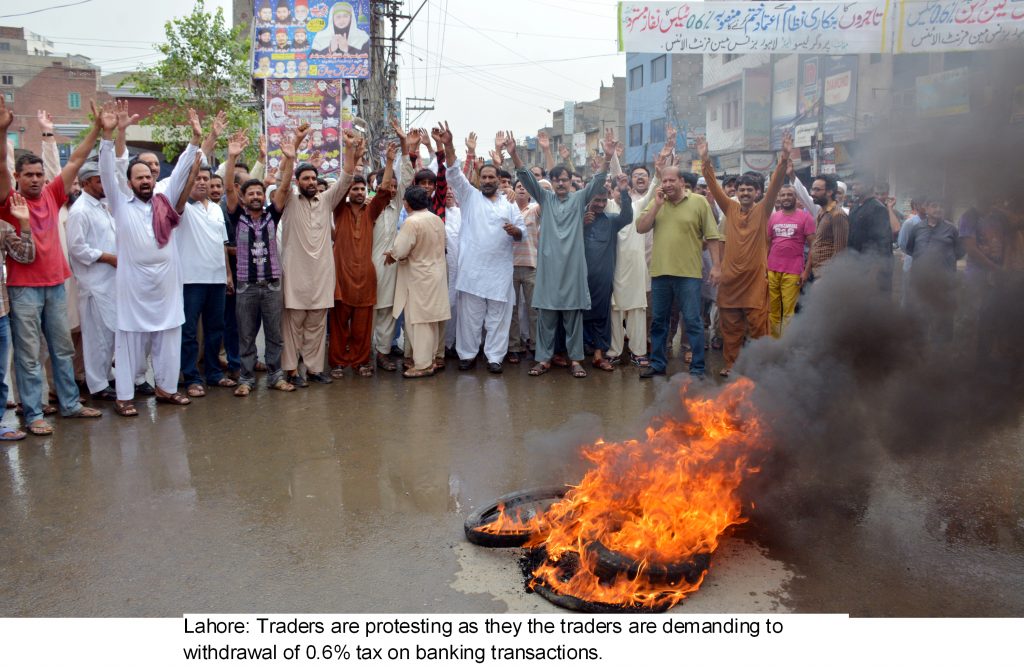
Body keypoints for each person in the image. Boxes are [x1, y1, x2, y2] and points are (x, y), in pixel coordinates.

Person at [0, 96, 103, 436]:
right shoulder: (8, 202)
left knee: (61, 348)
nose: (34, 179)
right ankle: (32, 415)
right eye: (27, 174)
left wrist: (97, 128)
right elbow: (1, 163)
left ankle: (70, 405)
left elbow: (77, 158)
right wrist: (3, 132)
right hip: (23, 288)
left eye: (38, 174)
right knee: (29, 356)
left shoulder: (52, 193)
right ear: (17, 177)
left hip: (56, 284)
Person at [97, 104, 204, 416]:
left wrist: (195, 140)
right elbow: (108, 171)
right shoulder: (120, 204)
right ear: (129, 182)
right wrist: (110, 134)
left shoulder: (164, 199)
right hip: (133, 283)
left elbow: (184, 169)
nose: (145, 180)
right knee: (129, 341)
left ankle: (167, 388)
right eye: (138, 177)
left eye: (148, 176)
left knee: (169, 336)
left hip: (166, 281)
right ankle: (125, 396)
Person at [510, 129, 616, 379]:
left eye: (564, 179)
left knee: (573, 318)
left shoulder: (580, 199)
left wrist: (608, 157)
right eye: (556, 179)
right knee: (546, 316)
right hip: (548, 269)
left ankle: (576, 360)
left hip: (573, 269)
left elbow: (598, 182)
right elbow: (526, 178)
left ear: (571, 182)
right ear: (552, 181)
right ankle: (544, 360)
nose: (560, 183)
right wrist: (514, 154)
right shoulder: (544, 199)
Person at [698, 131, 791, 377]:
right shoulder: (729, 208)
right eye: (742, 189)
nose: (746, 193)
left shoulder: (763, 210)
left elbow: (775, 186)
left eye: (751, 189)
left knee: (761, 327)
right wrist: (705, 161)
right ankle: (731, 365)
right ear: (736, 192)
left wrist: (783, 159)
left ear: (758, 193)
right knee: (730, 328)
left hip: (755, 281)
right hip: (730, 280)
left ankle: (763, 366)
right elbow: (714, 187)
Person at [223, 128, 306, 396]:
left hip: (271, 286)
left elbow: (283, 188)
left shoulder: (273, 215)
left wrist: (290, 160)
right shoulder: (238, 216)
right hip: (246, 286)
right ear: (243, 198)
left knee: (274, 335)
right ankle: (246, 380)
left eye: (260, 193)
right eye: (251, 194)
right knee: (246, 335)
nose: (257, 196)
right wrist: (232, 157)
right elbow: (227, 187)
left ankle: (276, 376)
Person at [440, 125, 525, 374]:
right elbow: (454, 174)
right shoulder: (469, 196)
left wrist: (515, 232)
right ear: (479, 179)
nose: (487, 181)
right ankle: (467, 355)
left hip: (499, 273)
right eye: (484, 177)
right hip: (473, 272)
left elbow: (522, 231)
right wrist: (449, 145)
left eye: (492, 177)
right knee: (470, 318)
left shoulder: (509, 204)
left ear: (499, 180)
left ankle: (495, 357)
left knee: (498, 319)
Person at [279, 129, 358, 387]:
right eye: (306, 178)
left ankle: (313, 369)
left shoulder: (325, 201)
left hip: (321, 276)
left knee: (315, 326)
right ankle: (291, 370)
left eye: (314, 178)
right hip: (296, 276)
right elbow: (282, 182)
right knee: (293, 327)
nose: (311, 182)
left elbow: (346, 177)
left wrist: (348, 148)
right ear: (298, 181)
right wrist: (293, 151)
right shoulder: (289, 200)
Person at [636, 165, 721, 379]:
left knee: (693, 320)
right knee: (659, 321)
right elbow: (640, 227)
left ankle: (698, 368)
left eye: (671, 180)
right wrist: (656, 206)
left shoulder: (699, 202)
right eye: (664, 181)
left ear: (682, 182)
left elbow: (712, 237)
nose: (667, 184)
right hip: (660, 274)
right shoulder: (658, 202)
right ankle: (657, 363)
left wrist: (717, 266)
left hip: (689, 275)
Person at [329, 144, 396, 378]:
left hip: (366, 277)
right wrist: (352, 156)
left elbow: (385, 190)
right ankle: (337, 362)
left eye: (361, 189)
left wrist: (388, 162)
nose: (358, 192)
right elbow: (340, 184)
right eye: (354, 189)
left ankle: (360, 362)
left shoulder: (371, 211)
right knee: (338, 325)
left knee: (362, 326)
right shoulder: (339, 209)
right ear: (348, 191)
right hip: (341, 277)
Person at [177, 150, 236, 398]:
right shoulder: (181, 208)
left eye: (205, 178)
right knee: (189, 332)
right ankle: (190, 377)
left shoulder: (216, 209)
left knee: (215, 329)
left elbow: (222, 245)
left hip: (216, 280)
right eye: (197, 178)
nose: (201, 182)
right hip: (191, 281)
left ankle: (213, 373)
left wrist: (228, 275)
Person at [66, 161, 119, 401]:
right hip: (94, 283)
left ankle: (106, 376)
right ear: (86, 182)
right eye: (99, 180)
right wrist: (107, 257)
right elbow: (77, 249)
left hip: (111, 282)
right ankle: (97, 384)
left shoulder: (101, 206)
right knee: (96, 336)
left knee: (109, 333)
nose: (104, 184)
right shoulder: (80, 210)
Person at [384, 187, 450, 378]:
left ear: (407, 203)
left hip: (418, 277)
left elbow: (401, 249)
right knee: (431, 321)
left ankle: (422, 365)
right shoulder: (436, 218)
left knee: (418, 321)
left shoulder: (411, 222)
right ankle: (431, 359)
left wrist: (392, 255)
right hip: (436, 274)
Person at [372, 119, 414, 371]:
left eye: (395, 188)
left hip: (388, 266)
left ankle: (382, 353)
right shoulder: (368, 206)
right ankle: (357, 355)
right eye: (388, 186)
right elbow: (384, 188)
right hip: (365, 265)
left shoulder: (396, 205)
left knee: (387, 311)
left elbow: (407, 178)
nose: (392, 190)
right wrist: (388, 164)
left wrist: (403, 144)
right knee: (366, 312)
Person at [583, 174, 633, 370]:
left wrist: (623, 191)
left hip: (603, 278)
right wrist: (581, 223)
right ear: (588, 200)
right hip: (579, 277)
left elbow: (627, 217)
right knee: (578, 315)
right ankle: (577, 355)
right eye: (597, 200)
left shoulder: (611, 220)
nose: (601, 204)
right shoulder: (577, 218)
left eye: (604, 201)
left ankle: (598, 355)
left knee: (601, 316)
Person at [0, 192, 36, 440]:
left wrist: (24, 224)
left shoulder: (1, 227)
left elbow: (26, 255)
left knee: (0, 374)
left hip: (0, 313)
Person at [904, 196, 965, 343]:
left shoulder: (951, 229)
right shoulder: (917, 228)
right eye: (934, 205)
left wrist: (944, 263)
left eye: (941, 206)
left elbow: (959, 252)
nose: (938, 209)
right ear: (926, 208)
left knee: (943, 314)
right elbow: (910, 249)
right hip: (921, 280)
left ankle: (943, 349)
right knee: (921, 312)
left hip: (944, 280)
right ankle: (919, 344)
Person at [766, 184, 815, 338]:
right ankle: (774, 343)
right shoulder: (773, 217)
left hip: (793, 271)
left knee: (788, 312)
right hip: (772, 269)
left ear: (796, 197)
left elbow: (813, 247)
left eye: (789, 195)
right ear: (779, 198)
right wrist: (763, 268)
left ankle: (785, 346)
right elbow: (767, 244)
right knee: (773, 311)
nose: (786, 198)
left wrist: (806, 272)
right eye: (783, 195)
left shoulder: (806, 217)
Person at [506, 179, 540, 364]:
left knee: (533, 310)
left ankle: (536, 345)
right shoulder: (506, 209)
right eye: (519, 186)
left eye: (525, 187)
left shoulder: (535, 209)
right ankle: (514, 347)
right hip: (508, 267)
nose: (522, 189)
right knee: (511, 310)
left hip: (530, 266)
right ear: (513, 189)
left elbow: (546, 200)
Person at [848, 180, 895, 295]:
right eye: (853, 184)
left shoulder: (877, 208)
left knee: (875, 302)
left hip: (872, 266)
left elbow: (884, 240)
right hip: (857, 264)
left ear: (868, 185)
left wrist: (877, 268)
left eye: (857, 184)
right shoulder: (855, 207)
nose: (853, 187)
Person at [805, 174, 849, 282]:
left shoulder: (837, 215)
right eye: (812, 189)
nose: (812, 193)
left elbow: (840, 252)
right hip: (817, 272)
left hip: (828, 276)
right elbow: (817, 243)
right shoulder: (821, 211)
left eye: (817, 190)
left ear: (829, 192)